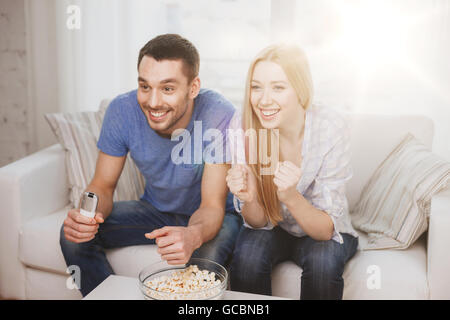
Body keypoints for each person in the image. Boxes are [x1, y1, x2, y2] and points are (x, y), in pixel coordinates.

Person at [60, 34, 241, 297]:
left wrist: (192, 235)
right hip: (157, 210)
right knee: (72, 237)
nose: (153, 102)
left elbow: (211, 205)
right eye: (145, 87)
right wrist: (86, 216)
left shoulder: (217, 114)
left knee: (205, 260)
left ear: (193, 88)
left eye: (167, 88)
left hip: (216, 216)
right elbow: (102, 185)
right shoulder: (121, 111)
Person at [226, 44, 359, 300]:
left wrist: (289, 196)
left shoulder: (330, 127)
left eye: (278, 87)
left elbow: (324, 230)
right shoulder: (244, 125)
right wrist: (250, 198)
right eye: (256, 87)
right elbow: (257, 221)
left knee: (323, 263)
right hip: (273, 226)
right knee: (248, 258)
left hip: (320, 226)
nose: (263, 100)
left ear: (300, 89)